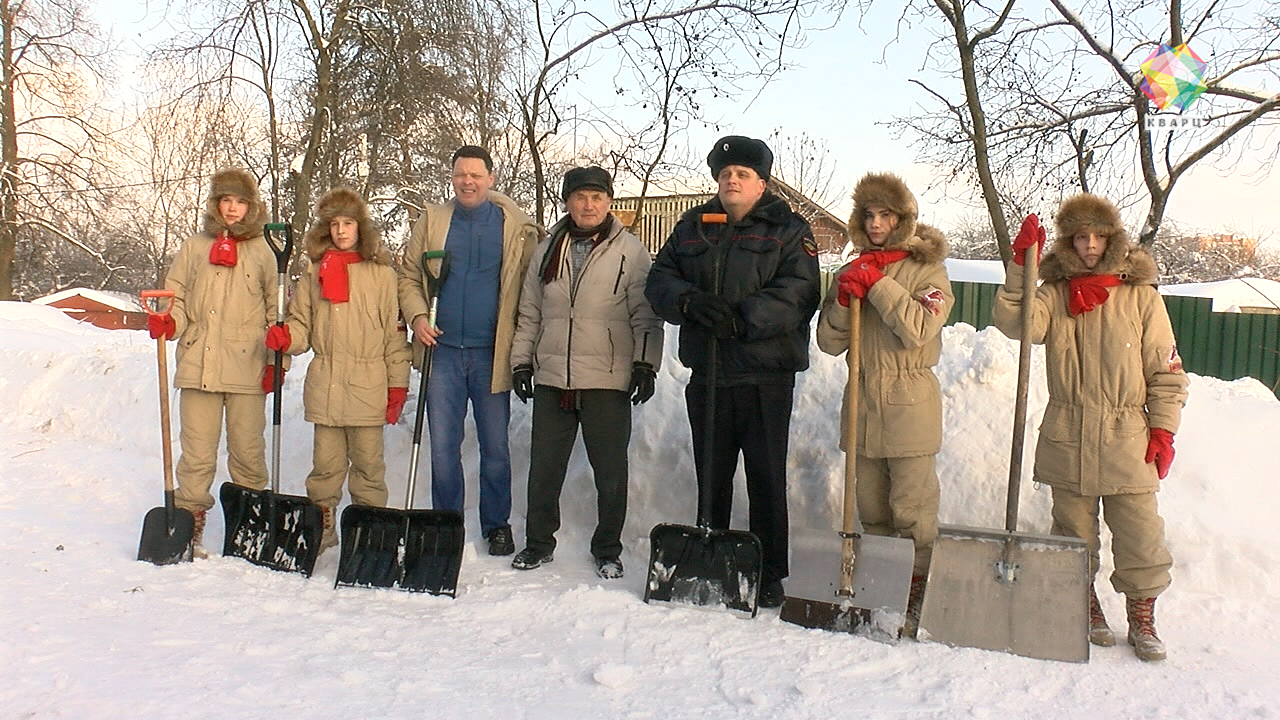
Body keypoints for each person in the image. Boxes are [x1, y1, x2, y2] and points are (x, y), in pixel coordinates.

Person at [992, 195, 1188, 661]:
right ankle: (1085, 604)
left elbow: (1166, 371)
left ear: (1113, 239)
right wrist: (1022, 266)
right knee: (1073, 535)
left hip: (1127, 437)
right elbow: (1015, 324)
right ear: (1069, 242)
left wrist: (1163, 429)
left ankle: (1142, 615)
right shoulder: (1054, 294)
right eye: (1081, 237)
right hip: (1068, 432)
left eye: (1099, 236)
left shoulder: (1141, 296)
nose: (1090, 246)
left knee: (1141, 535)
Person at [644, 135, 821, 608]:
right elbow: (659, 278)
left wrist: (742, 317)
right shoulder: (693, 227)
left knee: (765, 477)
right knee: (712, 473)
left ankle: (769, 570)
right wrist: (689, 302)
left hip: (765, 376)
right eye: (725, 175)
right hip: (710, 375)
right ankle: (712, 558)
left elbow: (800, 293)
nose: (731, 181)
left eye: (742, 174)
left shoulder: (787, 229)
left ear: (761, 183)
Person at [507, 166, 664, 579]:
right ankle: (539, 542)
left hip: (607, 379)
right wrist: (521, 361)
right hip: (554, 376)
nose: (588, 204)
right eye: (580, 197)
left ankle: (608, 548)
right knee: (544, 469)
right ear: (567, 202)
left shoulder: (630, 251)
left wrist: (645, 363)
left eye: (596, 197)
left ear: (609, 201)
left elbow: (644, 315)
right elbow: (530, 313)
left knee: (610, 472)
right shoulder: (547, 250)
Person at [814, 173, 953, 635]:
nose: (875, 223)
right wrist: (842, 298)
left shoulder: (927, 271)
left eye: (885, 215)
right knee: (871, 510)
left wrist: (878, 286)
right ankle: (881, 590)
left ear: (902, 219)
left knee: (911, 510)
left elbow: (917, 328)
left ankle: (918, 591)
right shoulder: (853, 268)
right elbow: (829, 343)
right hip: (863, 405)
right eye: (868, 215)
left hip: (910, 405)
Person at [398, 146, 540, 556]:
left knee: (495, 446)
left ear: (490, 178)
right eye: (460, 174)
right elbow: (408, 276)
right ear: (452, 177)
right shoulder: (435, 221)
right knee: (443, 445)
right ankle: (446, 523)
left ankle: (496, 524)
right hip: (441, 352)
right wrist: (419, 317)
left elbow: (530, 285)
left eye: (475, 174)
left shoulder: (513, 226)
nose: (467, 182)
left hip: (490, 354)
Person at [264, 188, 410, 552]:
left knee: (368, 468)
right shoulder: (315, 271)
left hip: (368, 383)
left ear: (360, 227)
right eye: (334, 224)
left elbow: (394, 336)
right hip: (327, 383)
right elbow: (302, 324)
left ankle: (368, 529)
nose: (341, 231)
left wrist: (397, 385)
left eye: (348, 223)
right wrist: (288, 337)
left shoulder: (382, 275)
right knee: (325, 468)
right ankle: (323, 527)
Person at [151, 168, 276, 558]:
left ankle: (251, 524)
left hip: (247, 365)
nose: (233, 208)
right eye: (227, 201)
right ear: (216, 205)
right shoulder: (194, 247)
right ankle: (189, 522)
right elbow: (178, 297)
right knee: (197, 453)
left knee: (247, 451)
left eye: (240, 202)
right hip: (199, 363)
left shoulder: (264, 250)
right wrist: (169, 321)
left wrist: (278, 357)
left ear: (251, 207)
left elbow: (278, 308)